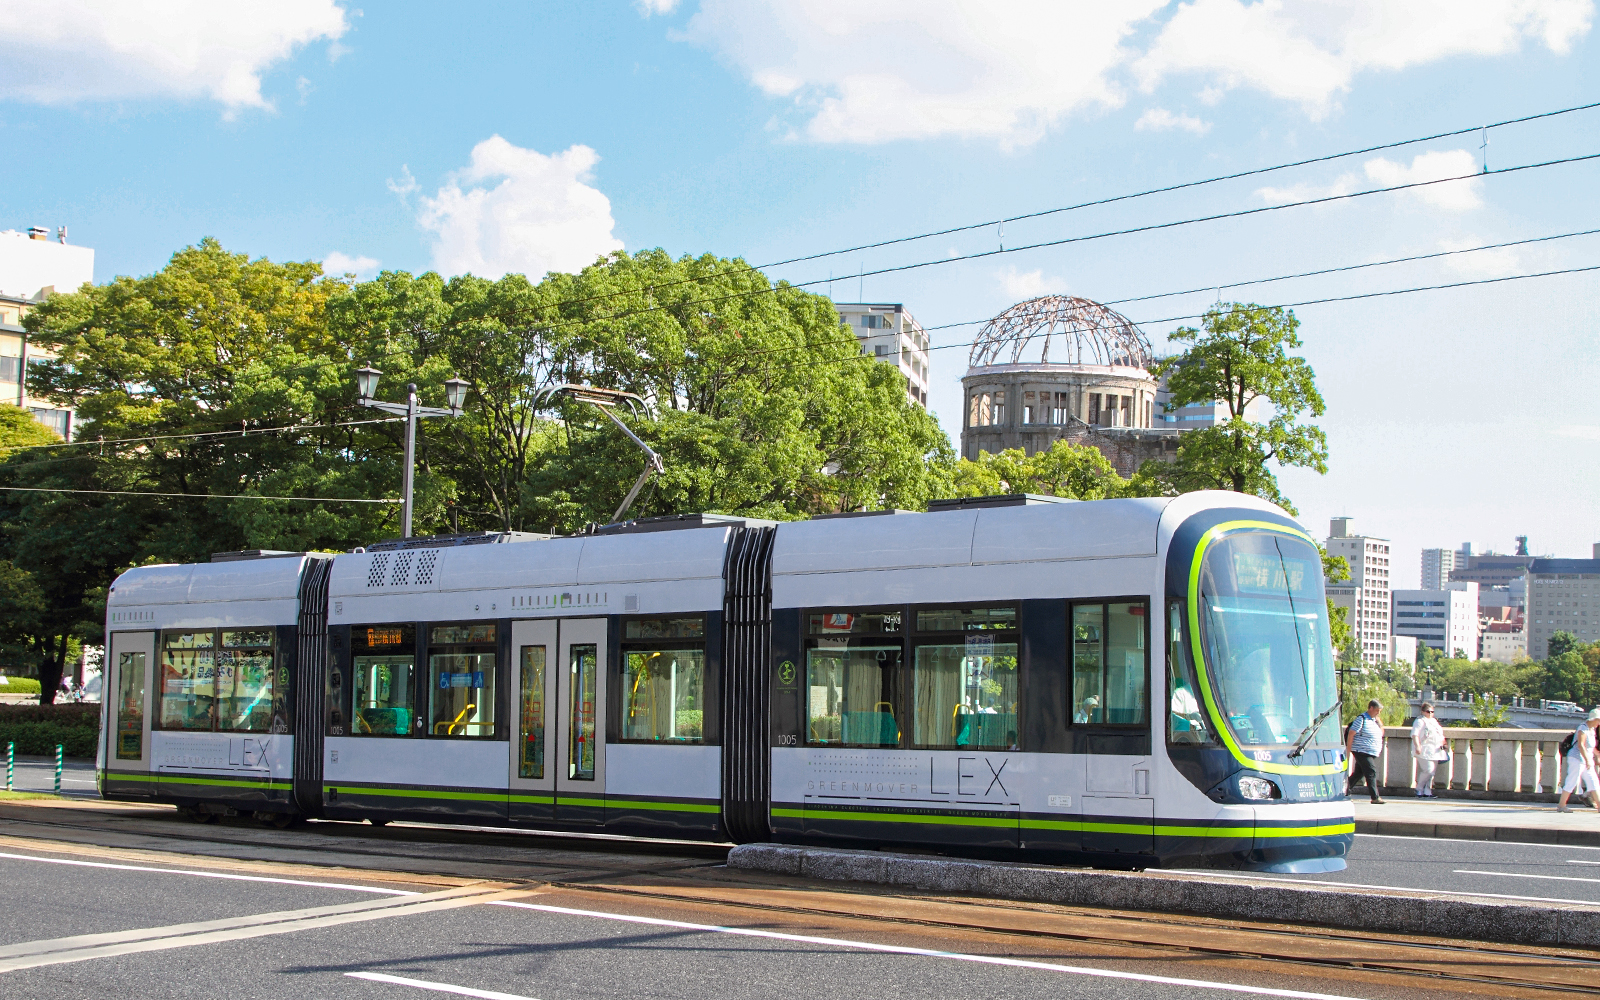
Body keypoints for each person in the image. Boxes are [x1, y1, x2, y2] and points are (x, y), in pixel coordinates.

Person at [1556, 709, 1600, 813]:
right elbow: (1581, 745)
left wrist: (1597, 755)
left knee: (1593, 782)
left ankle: (1599, 806)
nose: (1599, 723)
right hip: (1577, 758)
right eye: (1598, 720)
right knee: (1572, 781)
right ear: (1593, 719)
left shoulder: (1591, 730)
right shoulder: (1583, 728)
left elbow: (1591, 747)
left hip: (1586, 760)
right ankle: (1561, 806)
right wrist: (1587, 760)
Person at [1345, 699, 1386, 804]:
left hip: (1371, 752)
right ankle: (1375, 797)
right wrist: (1348, 750)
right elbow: (1351, 733)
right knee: (1371, 772)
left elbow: (1381, 733)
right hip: (1361, 751)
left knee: (1358, 774)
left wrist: (1379, 722)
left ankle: (1343, 791)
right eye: (1377, 710)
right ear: (1371, 708)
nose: (1378, 713)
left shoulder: (1374, 721)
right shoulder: (1361, 718)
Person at [1410, 702, 1448, 797]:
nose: (1430, 713)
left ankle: (1427, 791)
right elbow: (1415, 734)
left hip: (1436, 749)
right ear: (1423, 711)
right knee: (1428, 770)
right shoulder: (1419, 721)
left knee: (1432, 772)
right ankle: (1419, 788)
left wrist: (1444, 743)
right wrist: (1417, 746)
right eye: (1428, 711)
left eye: (1432, 711)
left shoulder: (1434, 721)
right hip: (1424, 749)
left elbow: (1440, 734)